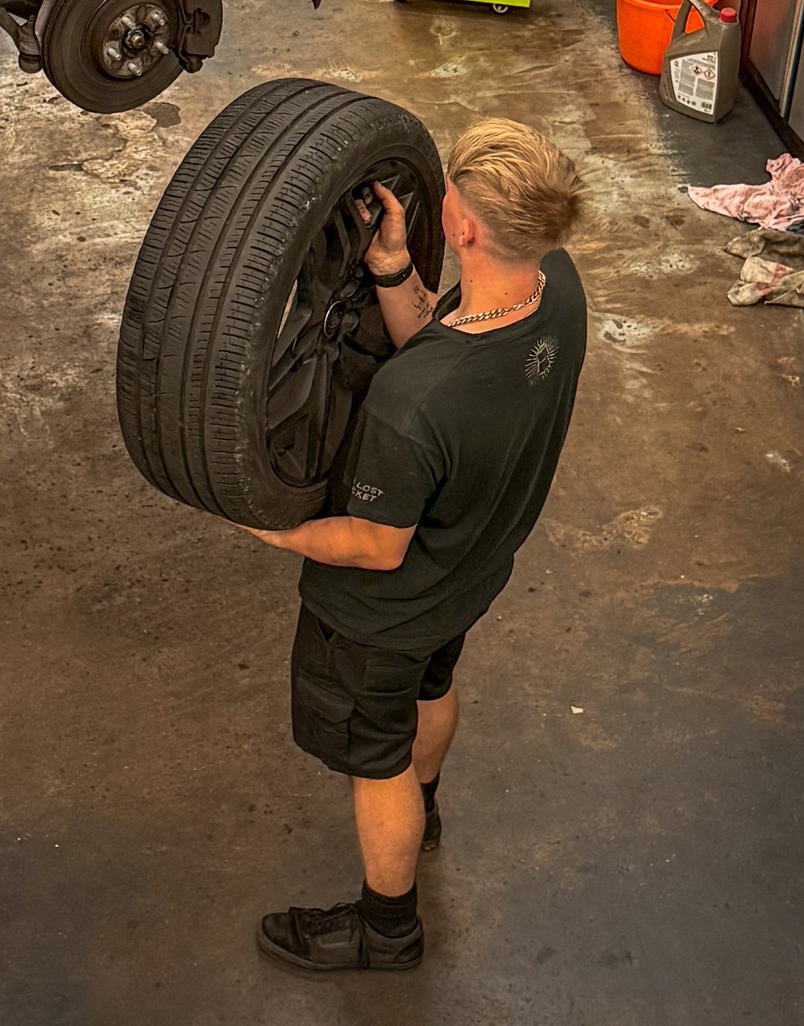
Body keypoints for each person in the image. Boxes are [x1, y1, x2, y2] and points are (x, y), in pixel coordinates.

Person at [239, 116, 588, 974]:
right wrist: (393, 265)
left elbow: (373, 544)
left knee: (376, 761)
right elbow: (442, 332)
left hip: (382, 615)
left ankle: (385, 928)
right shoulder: (557, 290)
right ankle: (423, 810)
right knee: (432, 685)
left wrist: (270, 526)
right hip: (468, 572)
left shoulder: (411, 405)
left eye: (451, 197)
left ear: (461, 228)